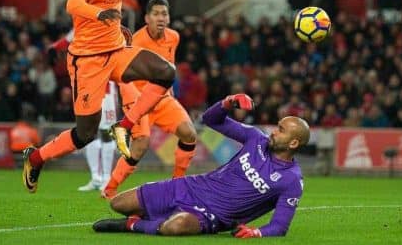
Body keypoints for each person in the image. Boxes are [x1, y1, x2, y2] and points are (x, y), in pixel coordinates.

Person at [22, 0, 175, 193]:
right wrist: (99, 14)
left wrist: (117, 27)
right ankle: (35, 158)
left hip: (116, 51)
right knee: (85, 134)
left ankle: (124, 125)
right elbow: (73, 3)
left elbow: (109, 6)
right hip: (88, 61)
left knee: (166, 72)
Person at [93, 94, 307, 237]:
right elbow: (210, 120)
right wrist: (227, 103)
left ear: (294, 143)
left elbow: (280, 226)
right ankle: (152, 219)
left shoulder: (291, 180)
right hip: (191, 187)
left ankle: (132, 225)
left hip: (211, 215)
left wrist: (257, 232)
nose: (273, 131)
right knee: (118, 204)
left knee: (176, 227)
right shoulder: (255, 138)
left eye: (280, 130)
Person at [103, 0, 197, 198]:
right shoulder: (135, 41)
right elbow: (122, 76)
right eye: (155, 14)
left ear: (169, 18)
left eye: (164, 14)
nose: (160, 18)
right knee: (141, 145)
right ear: (146, 18)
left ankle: (177, 184)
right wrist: (134, 103)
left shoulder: (174, 37)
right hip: (138, 99)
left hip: (162, 99)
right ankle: (110, 188)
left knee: (189, 134)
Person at [79, 81, 119, 192]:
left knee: (106, 132)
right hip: (88, 89)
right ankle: (96, 178)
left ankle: (107, 178)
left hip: (106, 91)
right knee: (89, 132)